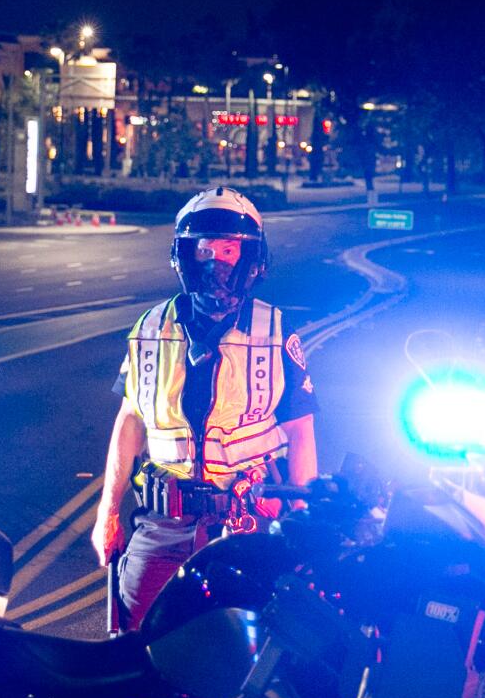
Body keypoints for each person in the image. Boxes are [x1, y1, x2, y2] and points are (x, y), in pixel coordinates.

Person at [90, 186, 318, 629]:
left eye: (229, 249)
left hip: (249, 520)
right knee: (136, 637)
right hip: (164, 524)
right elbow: (130, 422)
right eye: (204, 248)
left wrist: (302, 524)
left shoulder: (276, 331)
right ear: (184, 256)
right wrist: (108, 513)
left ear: (250, 257)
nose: (216, 261)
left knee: (249, 644)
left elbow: (301, 432)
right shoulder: (150, 328)